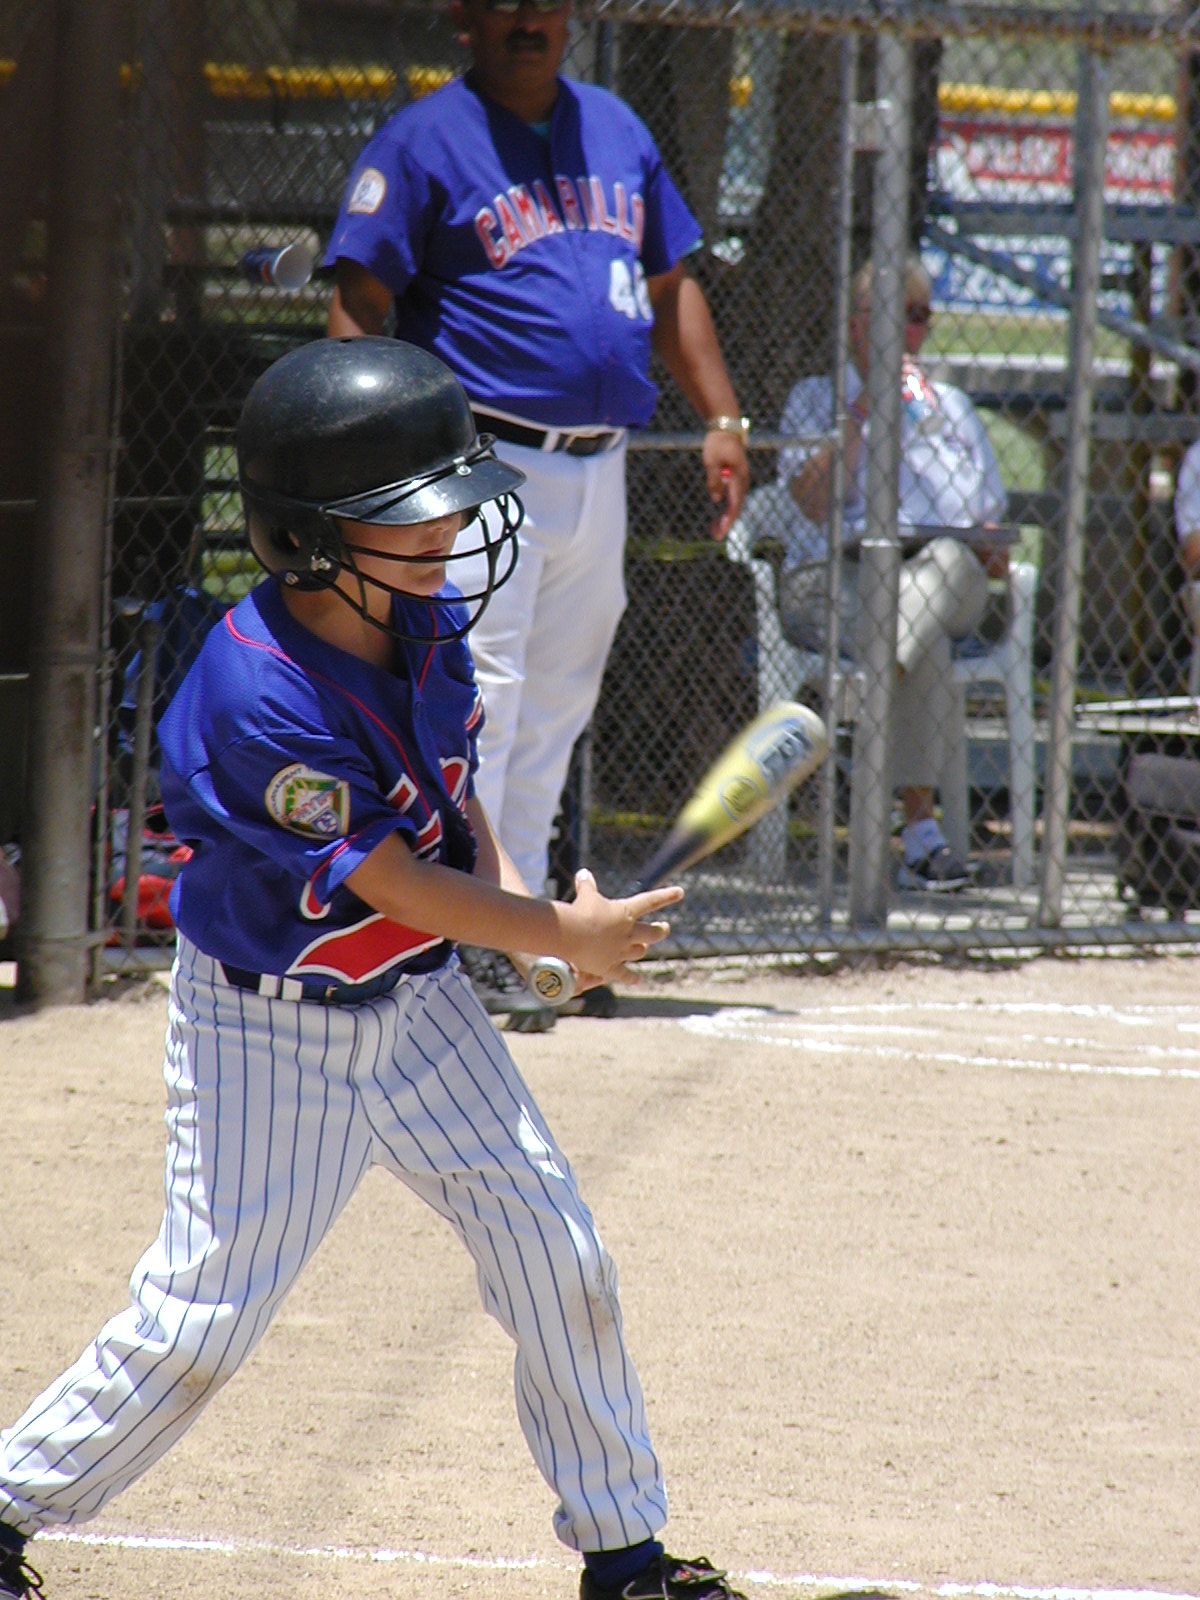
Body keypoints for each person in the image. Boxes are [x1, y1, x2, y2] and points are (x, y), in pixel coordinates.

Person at [0, 338, 745, 1600]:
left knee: (558, 1257)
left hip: (420, 1008)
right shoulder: (257, 693)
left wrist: (530, 920)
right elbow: (392, 881)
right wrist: (557, 936)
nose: (452, 527)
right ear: (309, 538)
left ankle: (627, 1556)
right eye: (415, 511)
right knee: (202, 1321)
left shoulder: (426, 617)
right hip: (271, 1033)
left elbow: (452, 802)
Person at [323, 0, 749, 1020]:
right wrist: (371, 449)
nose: (529, 21)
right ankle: (466, 936)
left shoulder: (616, 129)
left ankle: (529, 942)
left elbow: (669, 286)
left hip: (601, 465)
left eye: (545, 5)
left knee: (556, 703)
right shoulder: (425, 140)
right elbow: (357, 302)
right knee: (487, 701)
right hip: (478, 461)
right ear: (465, 21)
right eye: (505, 5)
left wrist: (722, 415)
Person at [777, 254, 1009, 891]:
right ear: (857, 325)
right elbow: (813, 502)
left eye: (920, 316)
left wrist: (924, 430)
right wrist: (863, 408)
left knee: (942, 571)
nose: (911, 331)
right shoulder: (816, 398)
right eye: (895, 315)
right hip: (841, 581)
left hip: (944, 573)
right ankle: (921, 838)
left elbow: (992, 544)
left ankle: (871, 693)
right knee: (918, 631)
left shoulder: (950, 410)